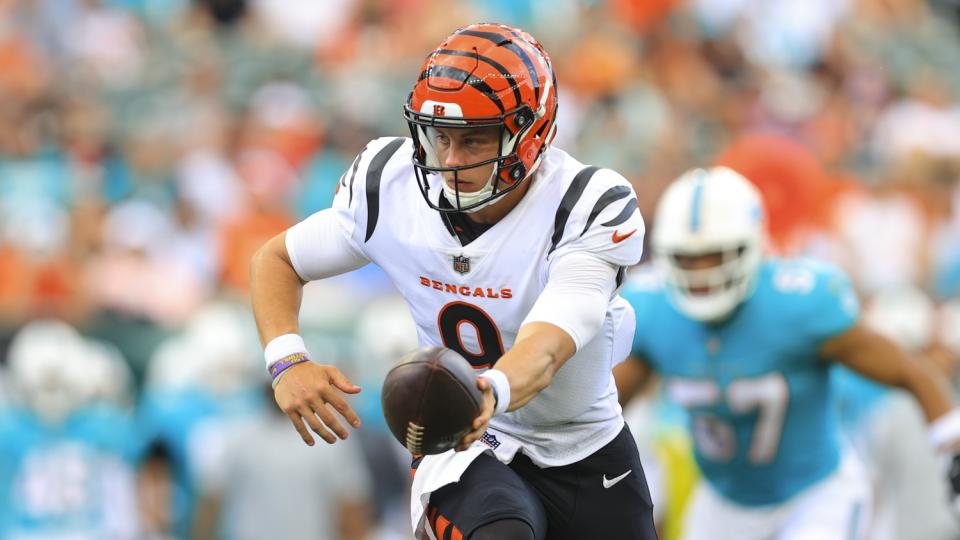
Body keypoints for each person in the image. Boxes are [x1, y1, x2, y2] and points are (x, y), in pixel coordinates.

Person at [249, 22, 657, 540]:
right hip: (462, 441)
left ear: (530, 134)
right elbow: (277, 260)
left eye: (473, 139)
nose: (451, 160)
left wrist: (494, 389)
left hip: (581, 439)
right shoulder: (389, 184)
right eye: (440, 137)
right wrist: (286, 359)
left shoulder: (585, 203)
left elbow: (552, 341)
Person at [615, 166, 960, 540]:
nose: (701, 273)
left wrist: (951, 450)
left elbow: (911, 372)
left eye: (716, 255)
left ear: (752, 246)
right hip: (722, 500)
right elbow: (607, 409)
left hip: (814, 494)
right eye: (687, 258)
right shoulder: (652, 311)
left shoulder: (799, 305)